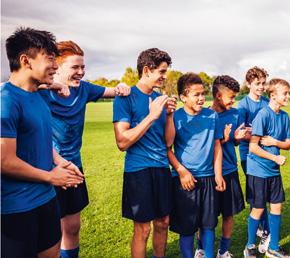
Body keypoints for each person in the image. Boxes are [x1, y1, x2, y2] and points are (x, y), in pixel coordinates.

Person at [38, 40, 131, 258]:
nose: (80, 72)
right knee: (47, 234)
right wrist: (54, 85)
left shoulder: (85, 89)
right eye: (74, 67)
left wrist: (122, 87)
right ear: (57, 67)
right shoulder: (41, 91)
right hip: (46, 169)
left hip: (74, 167)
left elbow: (114, 91)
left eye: (83, 67)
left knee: (72, 227)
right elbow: (9, 87)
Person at [1, 27, 84, 258]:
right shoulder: (6, 101)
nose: (56, 66)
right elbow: (4, 161)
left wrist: (59, 161)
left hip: (47, 200)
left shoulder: (38, 96)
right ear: (26, 60)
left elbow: (41, 140)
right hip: (16, 208)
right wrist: (50, 176)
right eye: (49, 58)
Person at [113, 48, 175, 258]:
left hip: (161, 168)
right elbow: (122, 142)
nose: (164, 77)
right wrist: (151, 116)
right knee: (143, 228)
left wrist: (168, 116)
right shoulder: (125, 97)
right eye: (162, 71)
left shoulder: (160, 99)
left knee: (163, 223)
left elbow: (168, 142)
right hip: (138, 170)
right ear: (147, 70)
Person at [167, 73, 226, 258]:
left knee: (208, 225)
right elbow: (167, 148)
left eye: (203, 94)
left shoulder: (212, 116)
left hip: (209, 178)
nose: (201, 98)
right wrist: (181, 171)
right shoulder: (175, 118)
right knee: (187, 227)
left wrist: (218, 174)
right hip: (185, 180)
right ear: (183, 97)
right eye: (196, 95)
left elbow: (217, 146)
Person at [243, 78, 290, 258]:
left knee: (277, 207)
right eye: (285, 93)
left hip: (274, 170)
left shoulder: (285, 116)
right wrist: (274, 157)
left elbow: (288, 144)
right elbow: (253, 147)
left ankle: (273, 247)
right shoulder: (263, 115)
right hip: (258, 170)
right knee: (258, 209)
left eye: (288, 93)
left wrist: (275, 142)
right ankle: (250, 247)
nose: (288, 96)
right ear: (273, 95)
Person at [209, 75, 247, 258]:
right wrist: (223, 139)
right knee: (207, 218)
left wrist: (237, 139)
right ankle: (202, 249)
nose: (234, 101)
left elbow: (236, 142)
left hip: (230, 170)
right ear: (218, 95)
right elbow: (204, 146)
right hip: (208, 173)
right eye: (231, 97)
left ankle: (223, 251)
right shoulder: (206, 114)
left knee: (229, 214)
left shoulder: (235, 114)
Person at [237, 66, 271, 252]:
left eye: (263, 83)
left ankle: (260, 226)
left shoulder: (267, 103)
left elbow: (272, 128)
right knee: (258, 194)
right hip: (248, 155)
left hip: (267, 154)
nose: (261, 87)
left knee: (262, 193)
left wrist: (255, 133)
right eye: (257, 83)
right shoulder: (243, 106)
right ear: (249, 83)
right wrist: (258, 135)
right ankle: (263, 229)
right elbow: (242, 134)